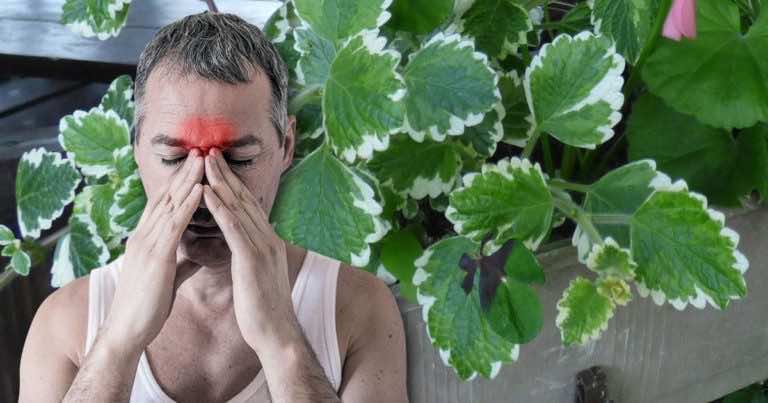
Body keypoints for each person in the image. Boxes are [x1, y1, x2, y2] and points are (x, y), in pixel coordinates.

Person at [18, 11, 408, 403]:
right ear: (137, 149)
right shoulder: (66, 323)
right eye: (173, 158)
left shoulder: (358, 309)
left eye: (238, 160)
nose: (204, 191)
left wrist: (282, 344)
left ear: (286, 146)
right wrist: (118, 343)